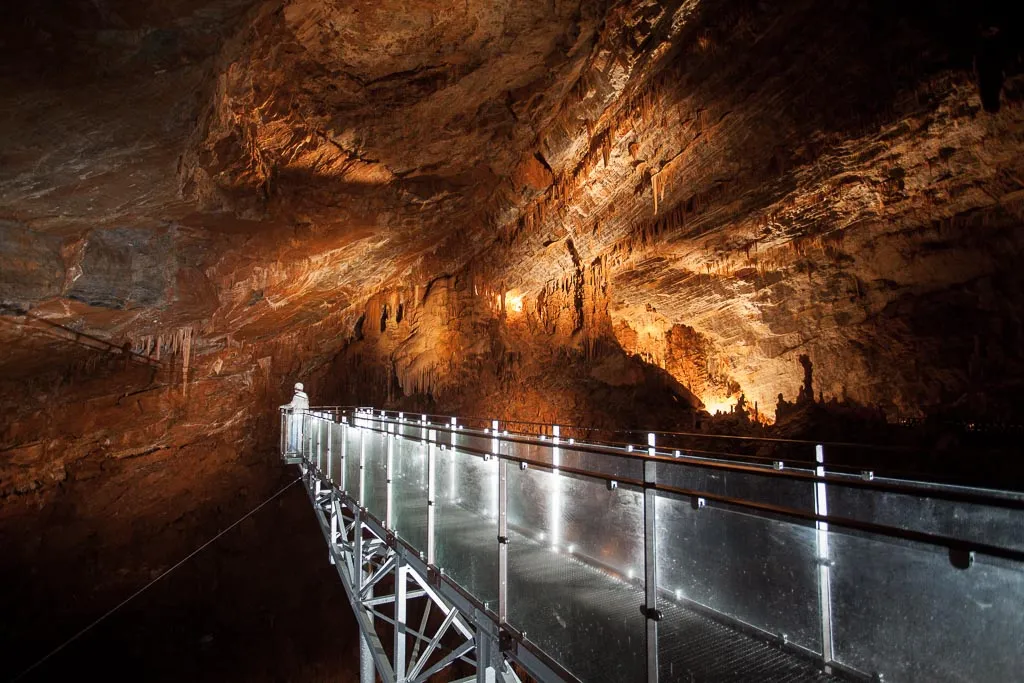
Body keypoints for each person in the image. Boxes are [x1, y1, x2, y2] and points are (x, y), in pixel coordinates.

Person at [281, 382, 309, 454]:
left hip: (297, 416)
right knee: (299, 432)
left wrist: (282, 406)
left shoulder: (297, 396)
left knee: (294, 432)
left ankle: (293, 448)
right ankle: (299, 448)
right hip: (303, 416)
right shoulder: (305, 396)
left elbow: (291, 405)